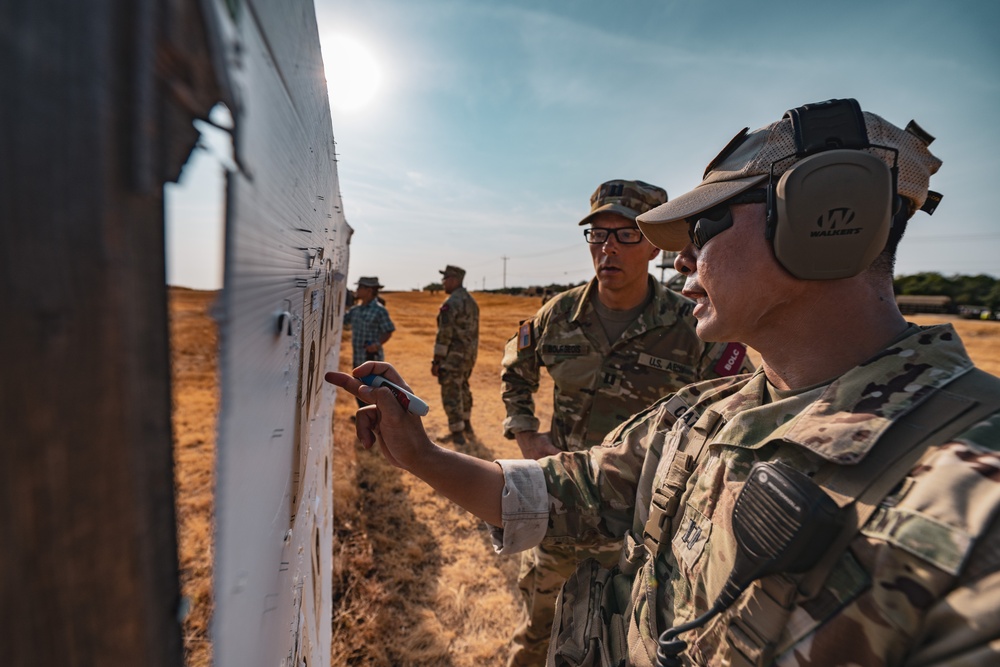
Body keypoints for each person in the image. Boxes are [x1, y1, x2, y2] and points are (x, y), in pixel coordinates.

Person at [327, 98, 1000, 666]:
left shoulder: (971, 493)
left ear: (825, 220)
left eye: (703, 226)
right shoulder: (695, 417)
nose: (680, 257)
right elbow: (555, 494)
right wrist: (421, 454)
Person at [500, 179, 754, 666]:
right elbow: (517, 366)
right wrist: (527, 433)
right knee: (538, 631)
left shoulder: (695, 325)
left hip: (646, 530)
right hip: (564, 508)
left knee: (630, 646)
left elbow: (739, 408)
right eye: (597, 235)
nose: (607, 248)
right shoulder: (559, 315)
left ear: (657, 244)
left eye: (625, 234)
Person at [432, 265, 480, 446]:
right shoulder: (472, 302)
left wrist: (436, 361)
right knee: (464, 388)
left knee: (451, 391)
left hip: (453, 358)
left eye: (445, 279)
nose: (443, 282)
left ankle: (457, 432)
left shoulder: (451, 303)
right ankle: (467, 424)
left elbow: (444, 335)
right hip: (468, 357)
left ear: (454, 280)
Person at [343, 276, 395, 407]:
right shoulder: (356, 310)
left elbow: (388, 330)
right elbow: (343, 321)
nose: (357, 290)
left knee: (372, 391)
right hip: (358, 358)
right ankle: (365, 415)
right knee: (359, 390)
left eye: (360, 287)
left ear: (369, 290)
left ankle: (375, 421)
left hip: (372, 360)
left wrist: (376, 345)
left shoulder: (379, 310)